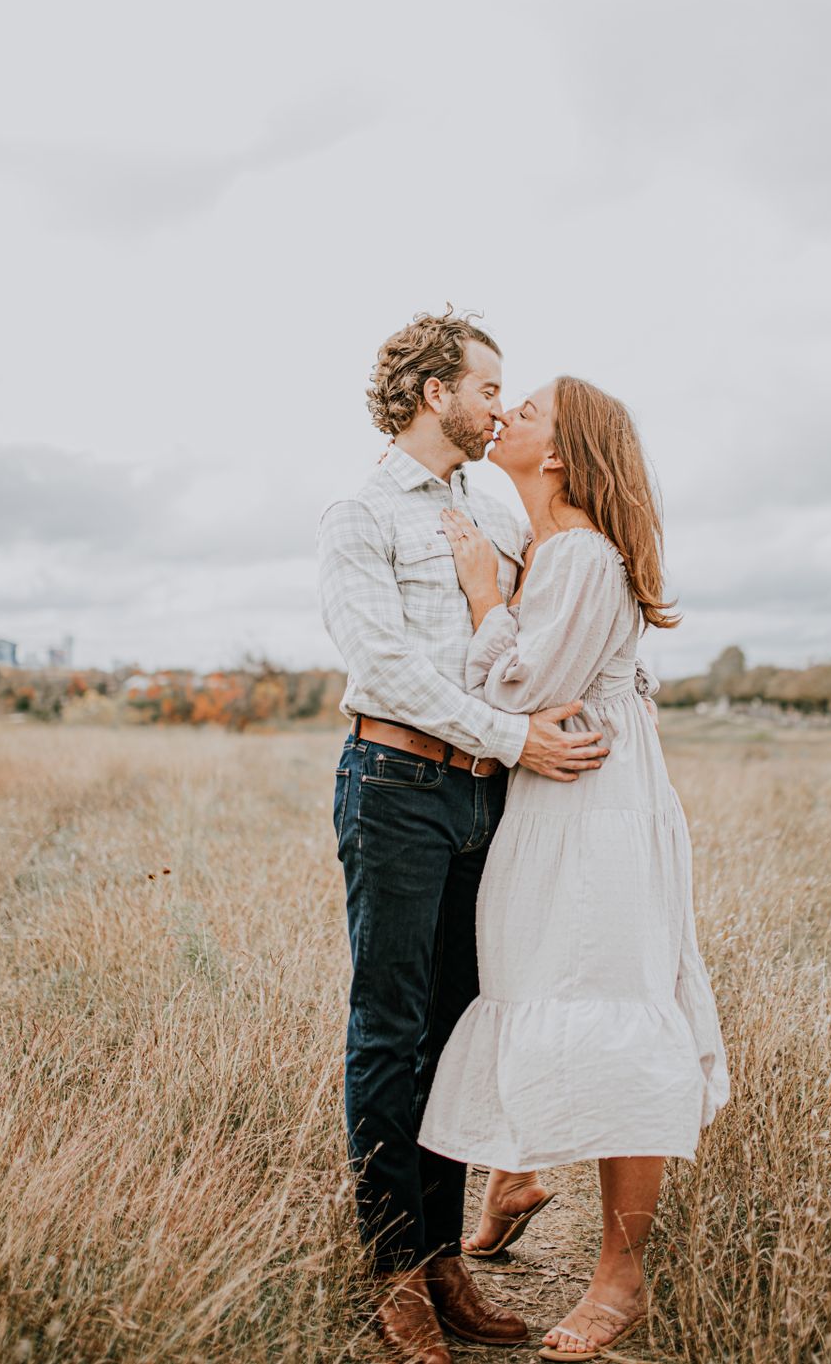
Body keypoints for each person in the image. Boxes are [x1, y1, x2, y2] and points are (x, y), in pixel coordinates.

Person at [318, 312, 634, 1364]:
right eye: (486, 385)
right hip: (398, 782)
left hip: (482, 797)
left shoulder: (491, 505)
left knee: (456, 1031)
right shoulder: (361, 515)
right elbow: (389, 664)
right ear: (429, 392)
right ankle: (393, 1271)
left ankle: (445, 1255)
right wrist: (512, 734)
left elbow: (528, 623)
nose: (499, 405)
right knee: (390, 1027)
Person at [418, 376, 730, 1360]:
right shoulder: (551, 551)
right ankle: (517, 1169)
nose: (505, 412)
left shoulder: (584, 555)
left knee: (611, 1007)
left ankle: (619, 1278)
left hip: (596, 813)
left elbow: (519, 684)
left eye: (531, 409)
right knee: (539, 990)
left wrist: (481, 599)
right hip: (553, 806)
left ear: (558, 453)